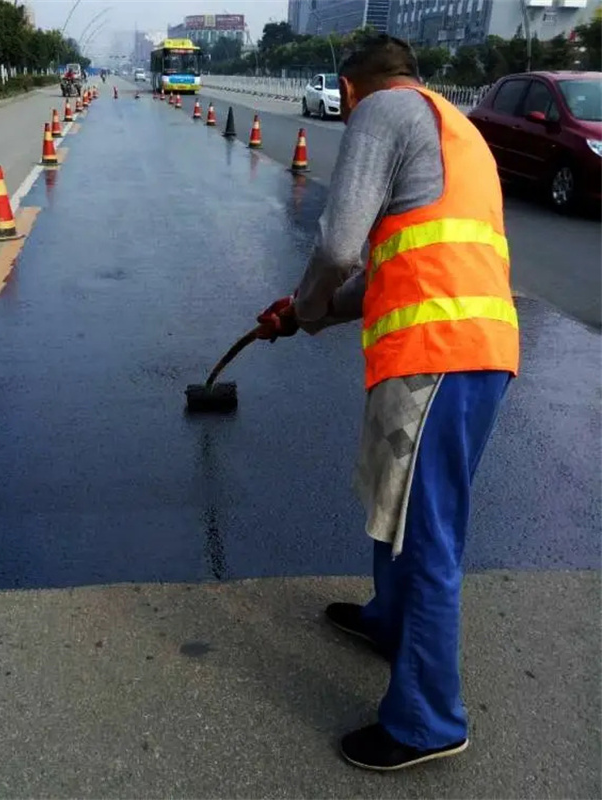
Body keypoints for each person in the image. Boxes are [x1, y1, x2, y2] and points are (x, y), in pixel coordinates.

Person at [256, 35, 519, 772]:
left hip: (441, 354)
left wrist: (304, 305)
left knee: (428, 534)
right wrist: (314, 313)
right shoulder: (449, 122)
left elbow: (340, 244)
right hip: (470, 352)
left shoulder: (382, 111)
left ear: (346, 90)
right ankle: (390, 621)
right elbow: (380, 276)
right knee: (397, 506)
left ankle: (429, 721)